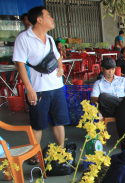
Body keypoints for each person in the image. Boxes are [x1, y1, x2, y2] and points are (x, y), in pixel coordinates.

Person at [13, 6, 69, 165]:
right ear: (39, 19)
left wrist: (60, 67)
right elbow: (20, 65)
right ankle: (34, 154)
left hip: (57, 88)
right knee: (38, 125)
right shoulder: (23, 39)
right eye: (49, 16)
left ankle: (61, 151)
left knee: (59, 122)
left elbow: (57, 57)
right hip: (38, 90)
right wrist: (29, 89)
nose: (52, 19)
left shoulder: (50, 39)